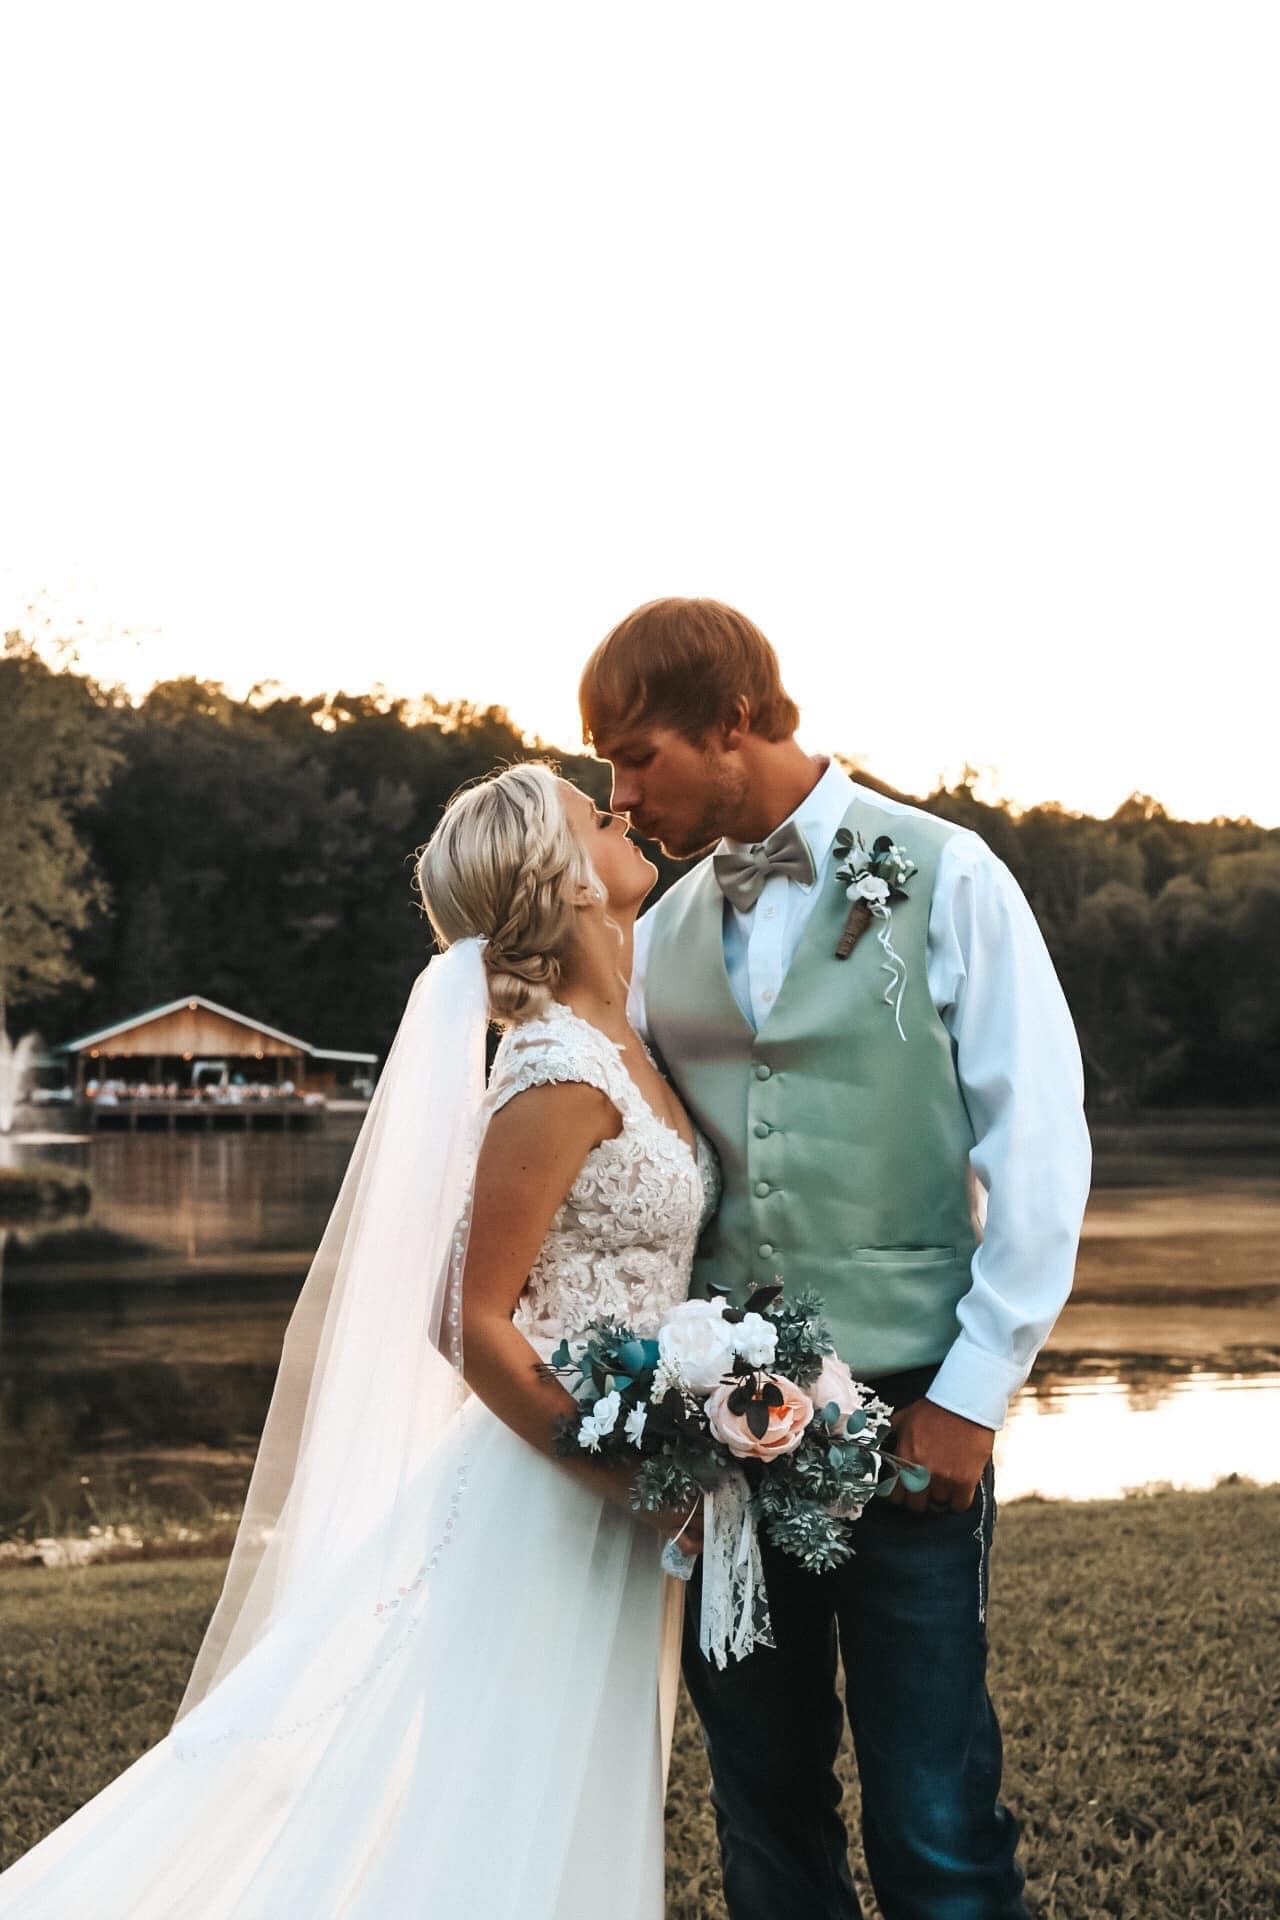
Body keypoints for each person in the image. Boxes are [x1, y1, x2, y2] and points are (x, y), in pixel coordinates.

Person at [0, 762, 715, 1920]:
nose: (620, 811)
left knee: (574, 1789)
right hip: (561, 1489)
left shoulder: (626, 1036)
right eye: (596, 814)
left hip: (635, 1477)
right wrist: (619, 1469)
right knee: (504, 1801)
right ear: (567, 879)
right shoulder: (554, 1069)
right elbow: (463, 1318)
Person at [580, 598, 1093, 1920]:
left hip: (916, 1410)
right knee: (765, 1811)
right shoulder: (661, 926)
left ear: (736, 720)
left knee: (932, 1816)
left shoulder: (950, 874)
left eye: (640, 756)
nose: (621, 794)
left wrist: (972, 1399)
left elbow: (1037, 1150)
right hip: (722, 1434)